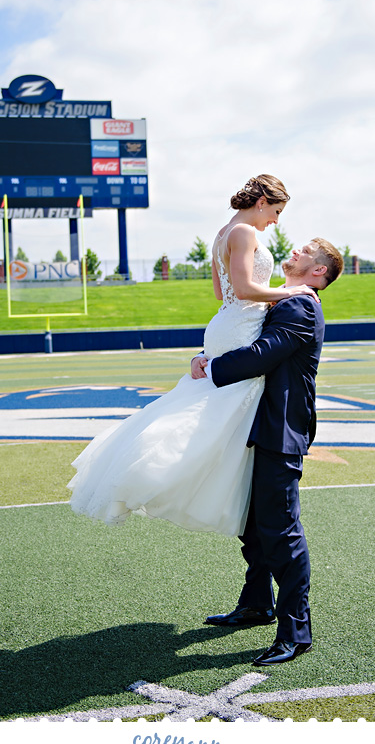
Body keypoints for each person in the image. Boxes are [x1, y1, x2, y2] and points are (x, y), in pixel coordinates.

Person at [67, 174, 319, 535]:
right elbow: (246, 289)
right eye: (276, 211)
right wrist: (291, 293)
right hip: (241, 322)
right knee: (229, 403)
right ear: (261, 201)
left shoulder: (222, 233)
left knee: (210, 401)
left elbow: (222, 292)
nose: (276, 221)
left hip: (223, 323)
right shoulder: (245, 232)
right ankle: (179, 476)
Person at [191, 237, 344, 666]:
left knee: (281, 530)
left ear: (318, 271)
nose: (293, 250)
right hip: (255, 428)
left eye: (306, 251)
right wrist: (204, 355)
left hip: (280, 432)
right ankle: (258, 603)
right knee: (254, 524)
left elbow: (262, 355)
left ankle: (297, 631)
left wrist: (212, 369)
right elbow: (241, 333)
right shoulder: (282, 300)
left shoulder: (302, 306)